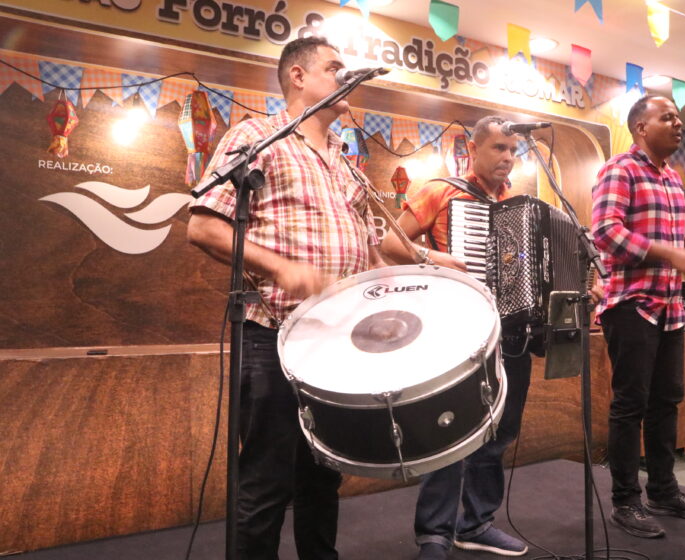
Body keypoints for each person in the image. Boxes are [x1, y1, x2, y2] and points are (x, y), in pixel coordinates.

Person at [187, 36, 385, 559]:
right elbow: (203, 227)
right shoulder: (257, 136)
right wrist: (281, 268)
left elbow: (371, 248)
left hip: (338, 341)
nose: (347, 76)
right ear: (298, 76)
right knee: (267, 483)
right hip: (273, 334)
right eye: (335, 66)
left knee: (323, 478)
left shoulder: (345, 161)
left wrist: (416, 280)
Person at [382, 116, 531, 560]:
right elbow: (390, 244)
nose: (507, 158)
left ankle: (476, 523)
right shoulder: (441, 190)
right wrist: (437, 258)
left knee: (500, 433)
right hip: (456, 331)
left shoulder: (520, 204)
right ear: (473, 148)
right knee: (452, 432)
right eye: (499, 148)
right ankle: (435, 532)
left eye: (513, 151)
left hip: (511, 335)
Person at [590, 95, 685, 539]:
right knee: (630, 405)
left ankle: (663, 489)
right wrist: (670, 251)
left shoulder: (674, 179)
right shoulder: (620, 169)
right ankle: (626, 500)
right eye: (668, 117)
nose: (678, 123)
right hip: (631, 307)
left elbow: (663, 242)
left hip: (670, 308)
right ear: (641, 127)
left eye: (679, 117)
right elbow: (606, 232)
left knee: (667, 402)